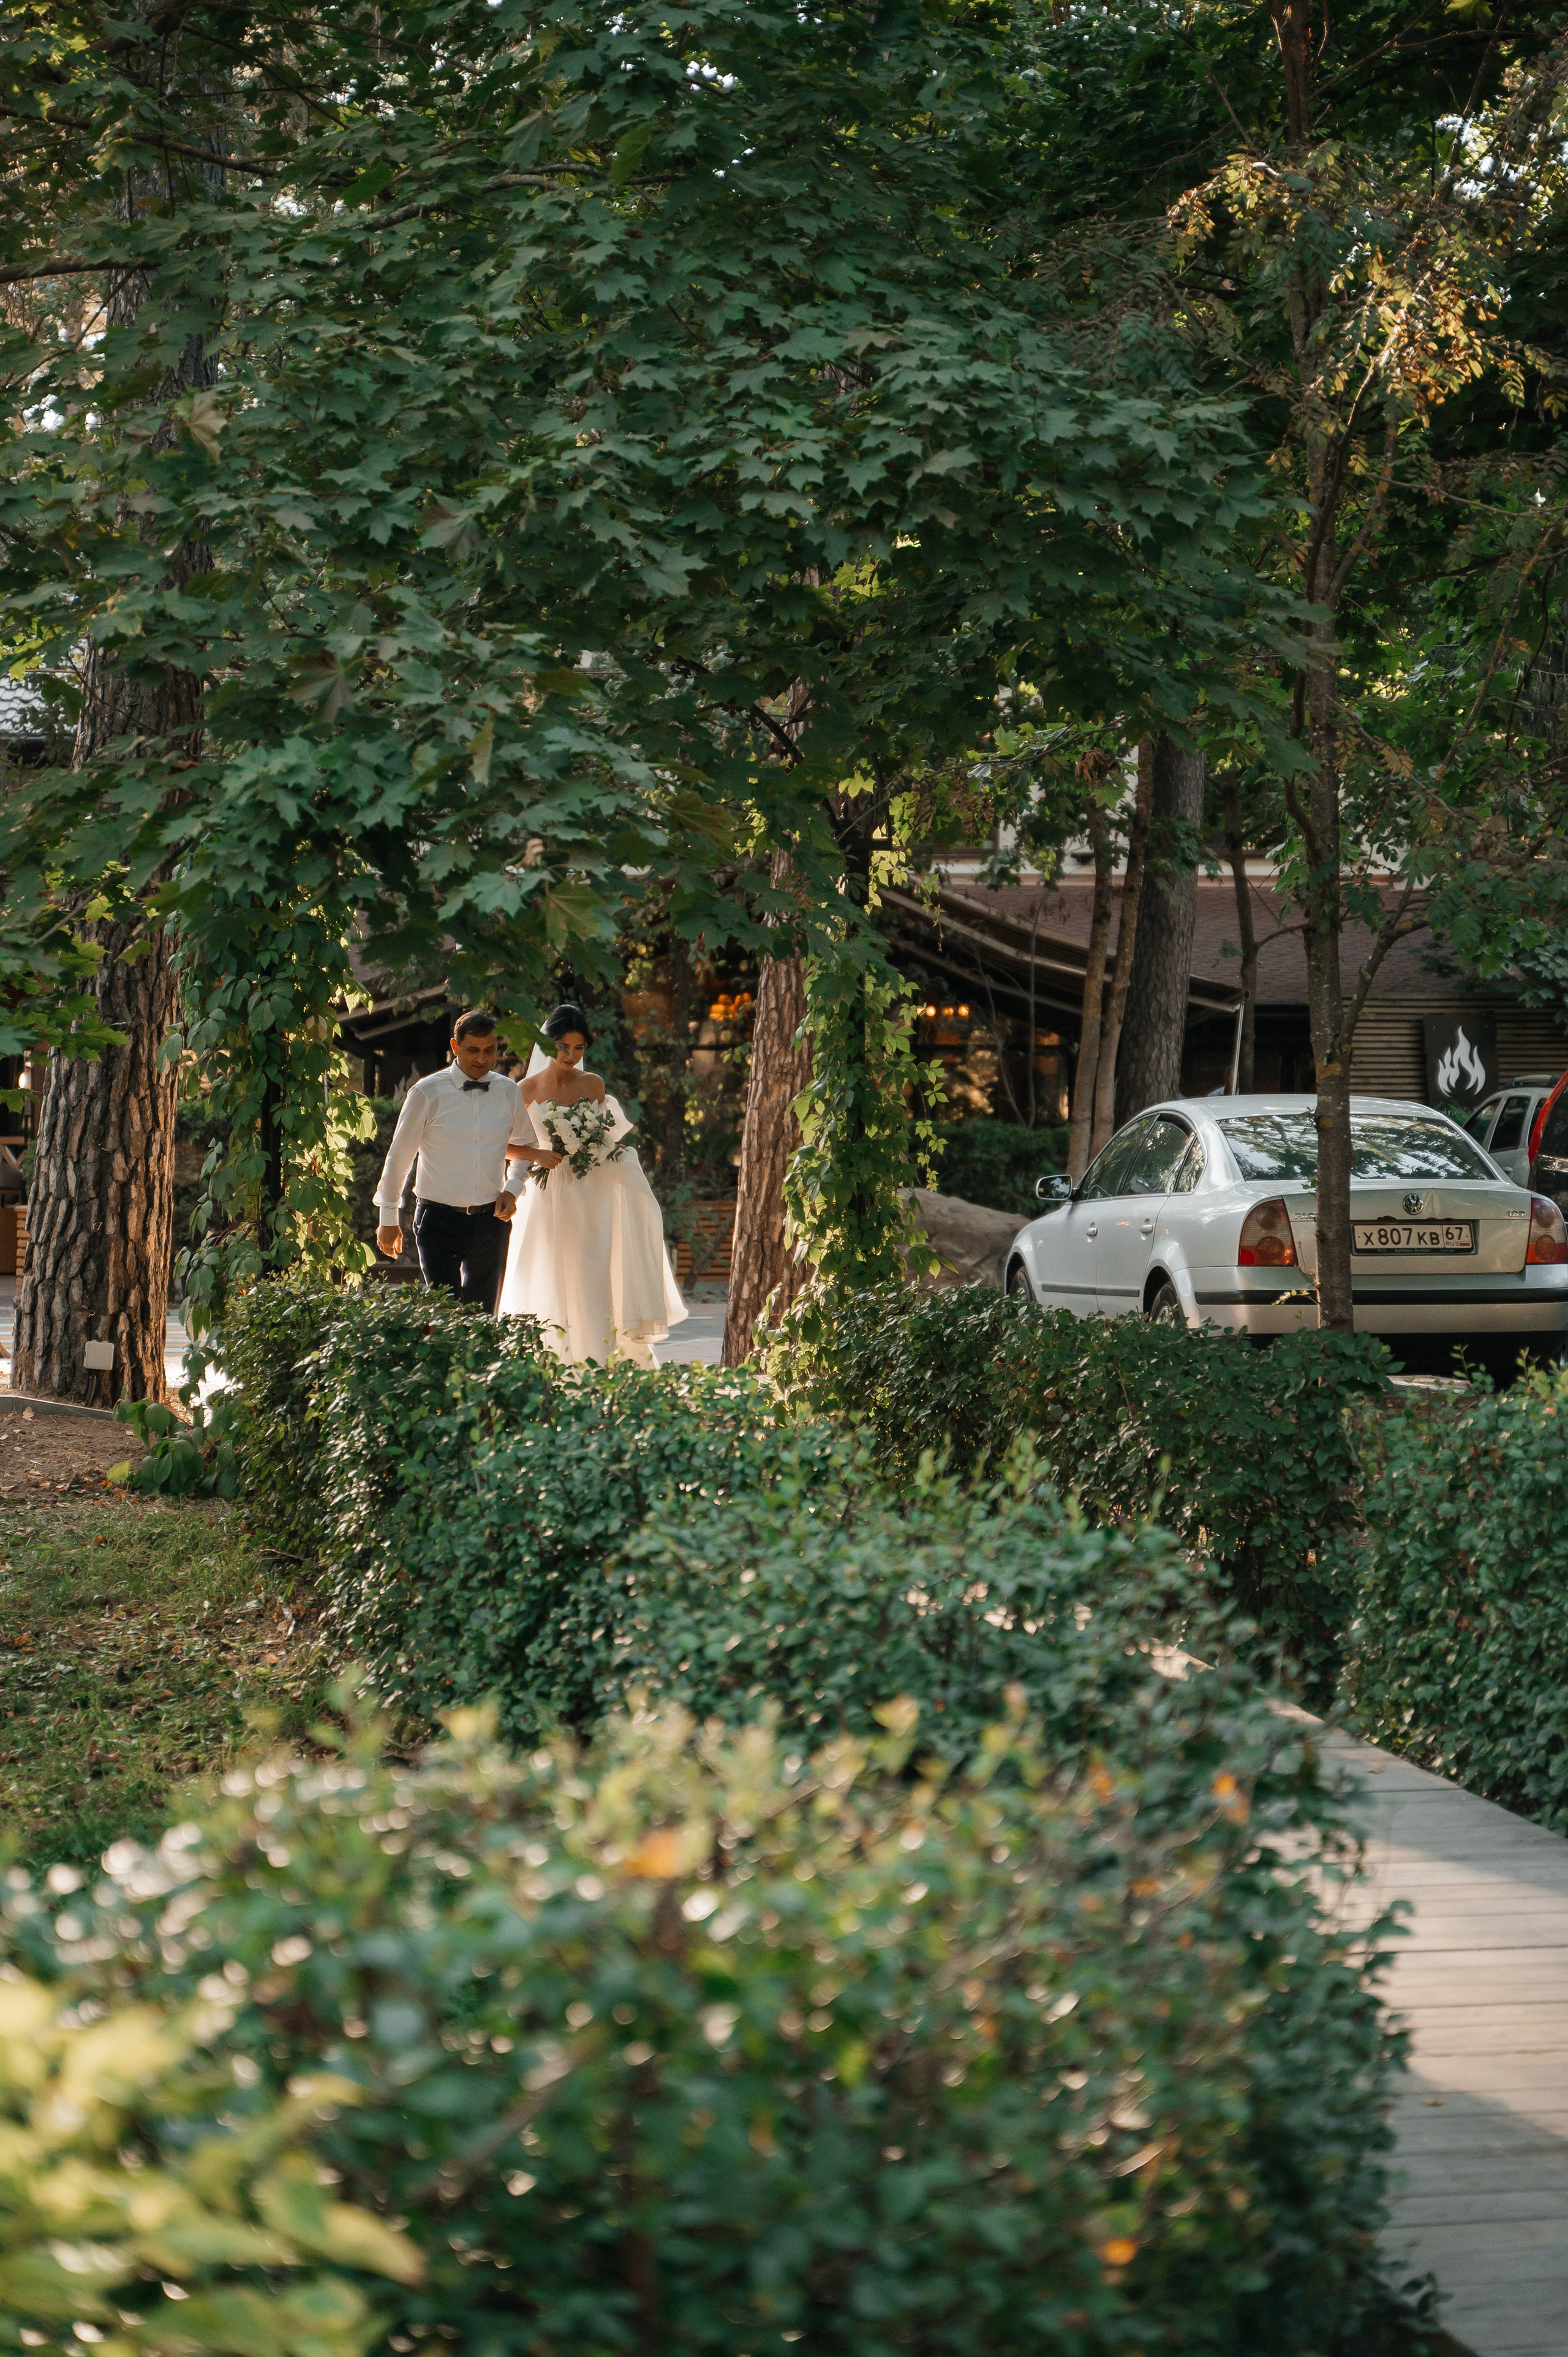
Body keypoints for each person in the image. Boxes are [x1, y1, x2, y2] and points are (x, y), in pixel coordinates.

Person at [497, 1002, 688, 1364]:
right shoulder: (526, 1089)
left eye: (579, 1047)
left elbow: (604, 1138)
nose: (571, 1055)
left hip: (590, 1191)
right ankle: (550, 1363)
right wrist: (538, 1157)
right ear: (547, 1044)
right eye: (563, 1046)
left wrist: (612, 1150)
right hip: (547, 1193)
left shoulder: (593, 1084)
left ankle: (601, 1359)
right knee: (546, 1273)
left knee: (592, 1272)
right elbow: (501, 1146)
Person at [374, 1010, 561, 1309]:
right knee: (445, 1315)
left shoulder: (508, 1091)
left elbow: (526, 1147)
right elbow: (399, 1158)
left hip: (492, 1222)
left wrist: (512, 1189)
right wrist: (388, 1218)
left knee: (483, 1319)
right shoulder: (426, 1093)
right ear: (455, 1047)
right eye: (473, 1050)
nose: (482, 1059)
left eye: (490, 1051)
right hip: (438, 1220)